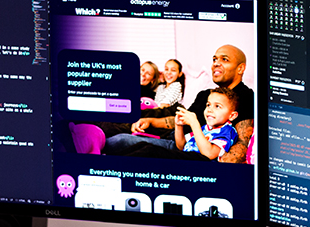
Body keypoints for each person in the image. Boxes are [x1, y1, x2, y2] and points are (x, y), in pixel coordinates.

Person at [105, 44, 254, 162]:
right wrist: (151, 122)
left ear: (240, 68)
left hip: (182, 148)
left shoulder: (245, 97)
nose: (216, 63)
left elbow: (241, 144)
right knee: (121, 125)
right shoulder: (206, 94)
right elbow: (183, 119)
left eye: (224, 59)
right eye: (214, 59)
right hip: (178, 136)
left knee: (120, 141)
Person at [175, 87, 239, 159]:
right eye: (208, 105)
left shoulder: (227, 131)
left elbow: (209, 154)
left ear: (232, 116)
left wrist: (194, 124)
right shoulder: (205, 128)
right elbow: (181, 146)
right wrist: (179, 126)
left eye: (217, 106)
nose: (209, 110)